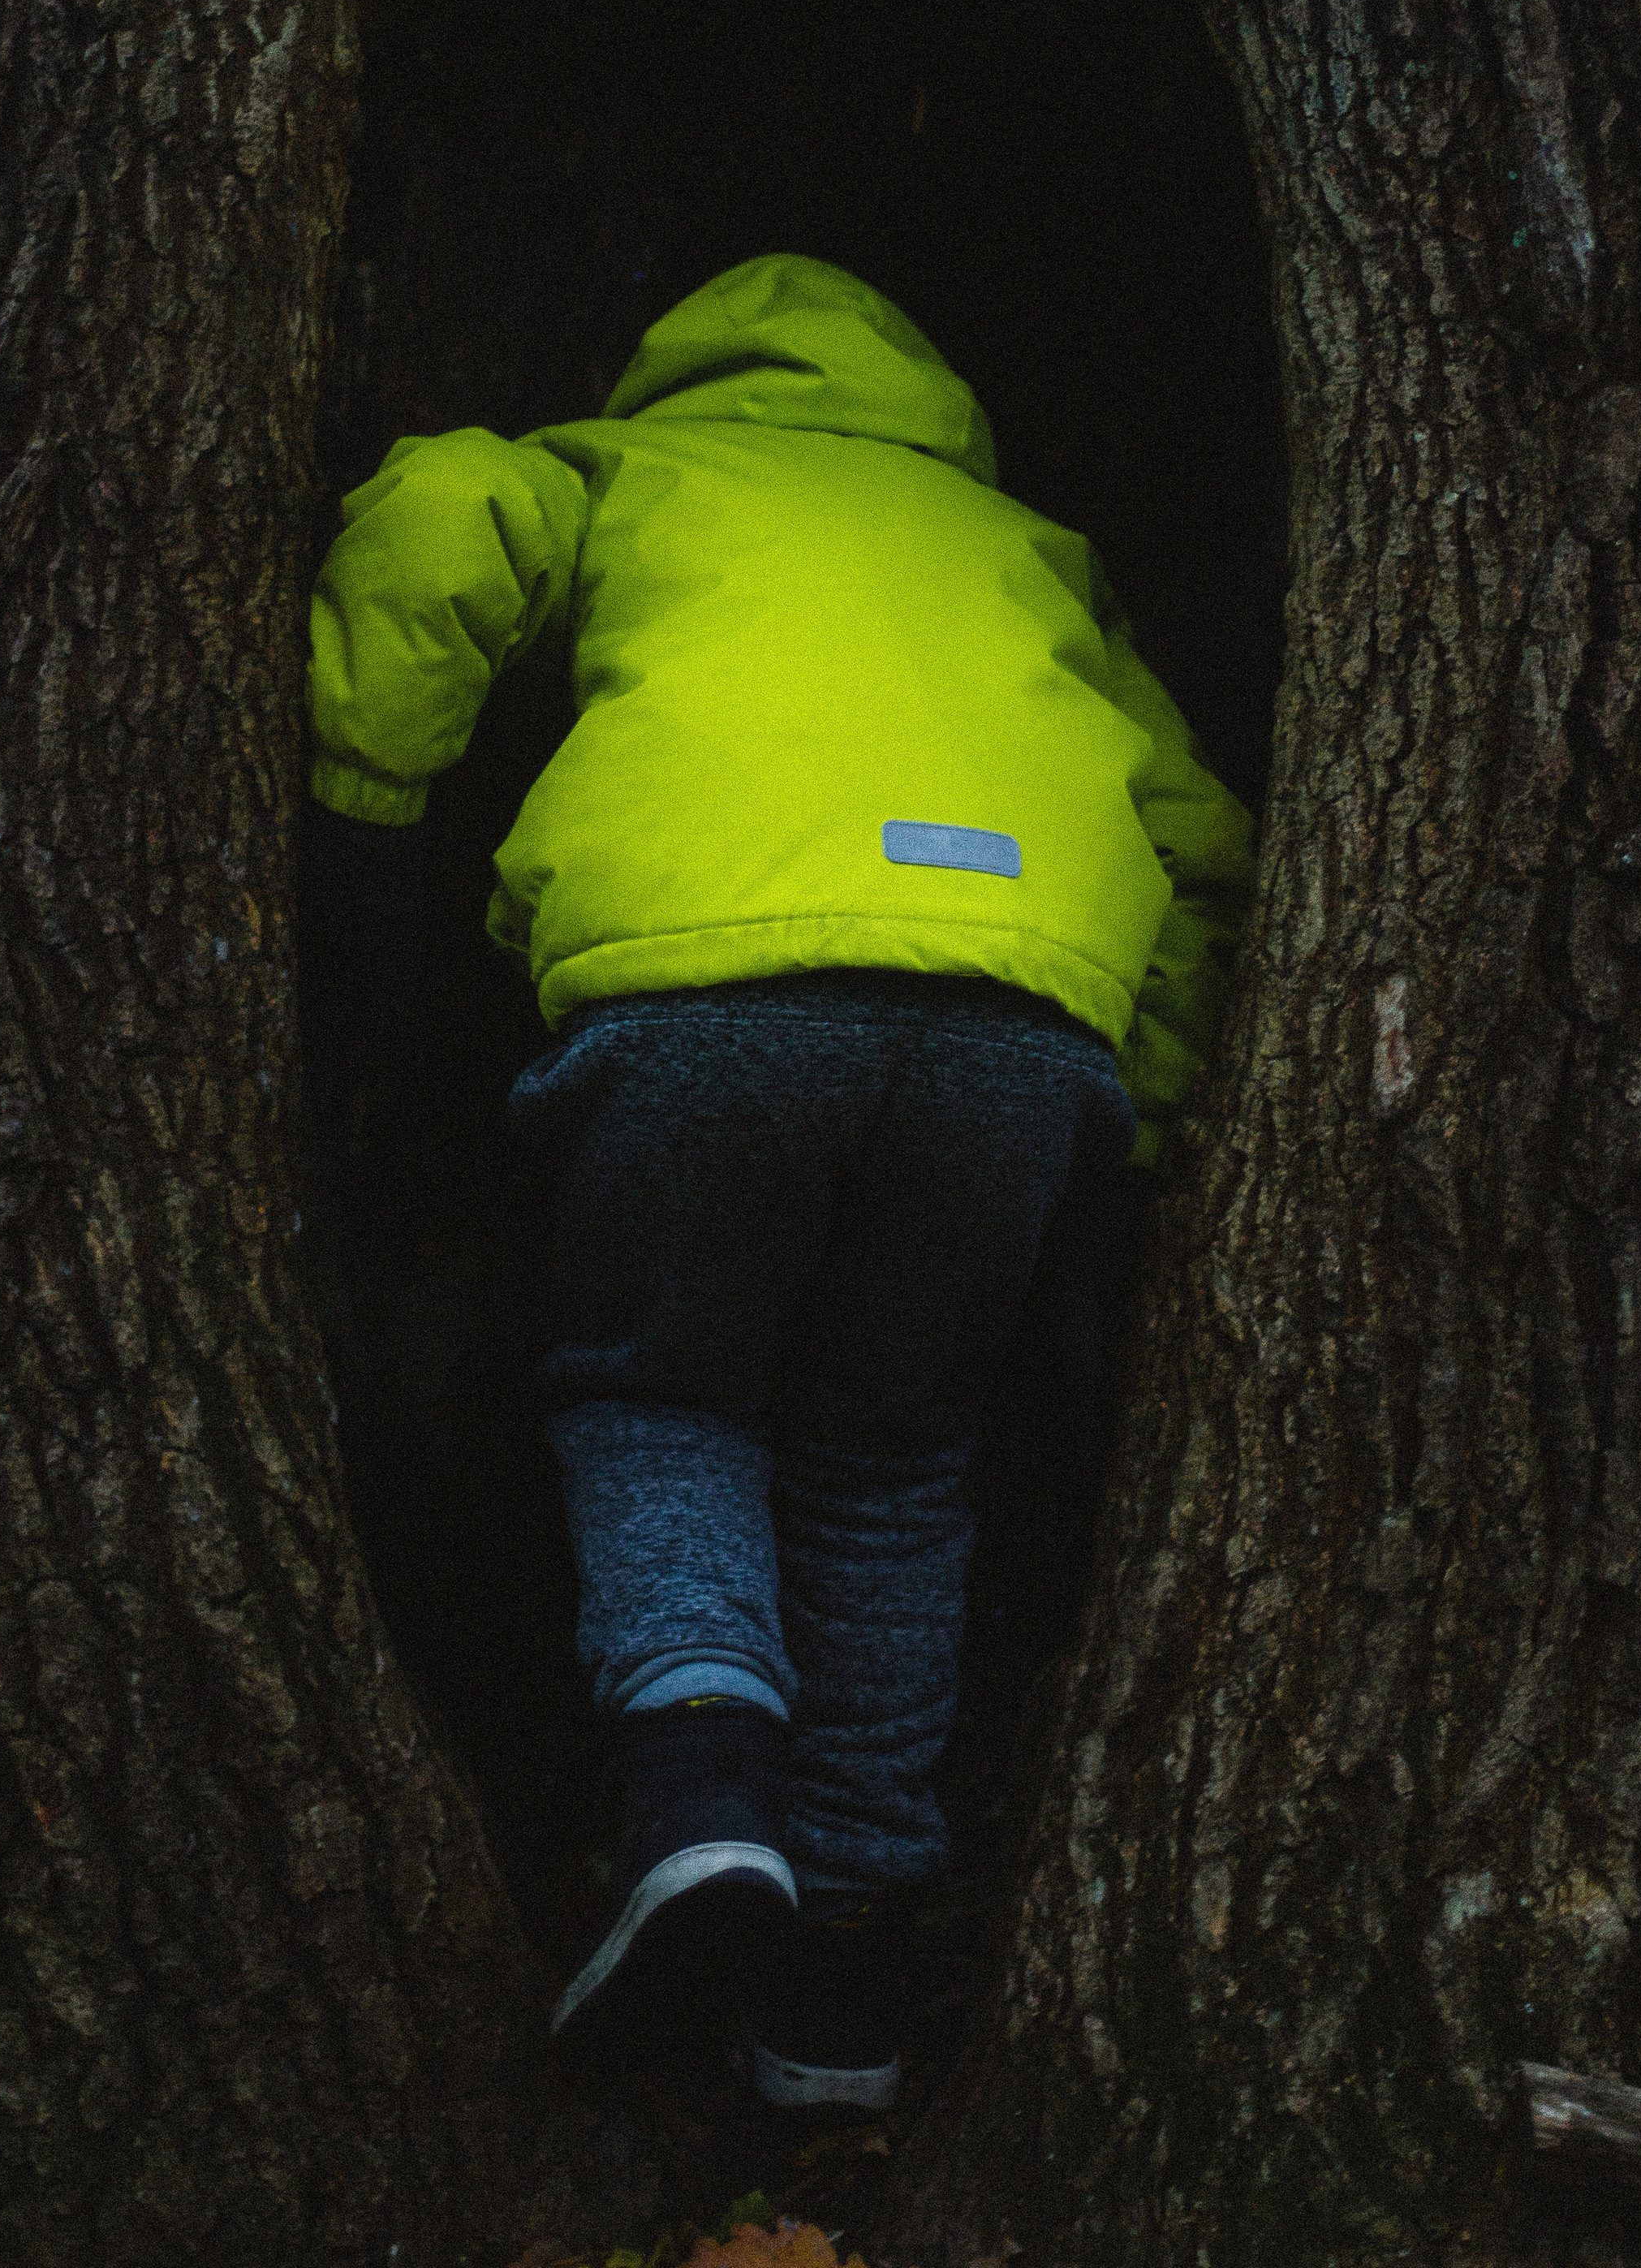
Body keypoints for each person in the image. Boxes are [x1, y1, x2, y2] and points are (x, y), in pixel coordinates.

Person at [298, 253, 1257, 2110]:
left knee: (662, 1392)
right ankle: (842, 1985)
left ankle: (698, 1798)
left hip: (706, 1002)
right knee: (890, 1462)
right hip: (1023, 1031)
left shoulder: (626, 470)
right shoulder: (1029, 554)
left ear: (686, 371)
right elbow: (1200, 849)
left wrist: (363, 819)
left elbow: (436, 511)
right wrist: (1130, 1131)